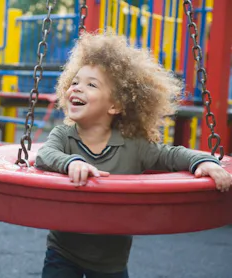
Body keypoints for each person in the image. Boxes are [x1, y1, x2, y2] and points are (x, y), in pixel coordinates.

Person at [34, 32, 232, 278]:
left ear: (115, 105)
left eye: (91, 85)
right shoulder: (64, 136)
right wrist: (71, 162)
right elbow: (45, 155)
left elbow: (172, 156)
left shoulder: (133, 146)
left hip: (111, 260)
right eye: (74, 82)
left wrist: (203, 161)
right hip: (63, 250)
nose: (77, 88)